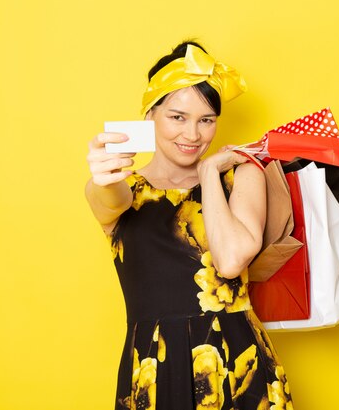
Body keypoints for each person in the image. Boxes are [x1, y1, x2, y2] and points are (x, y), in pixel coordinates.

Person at [85, 41, 294, 410]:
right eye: (177, 117)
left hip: (238, 366)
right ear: (149, 115)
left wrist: (209, 170)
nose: (193, 135)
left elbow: (230, 261)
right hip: (155, 368)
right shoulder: (123, 190)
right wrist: (103, 178)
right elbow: (109, 199)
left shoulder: (241, 176)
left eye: (206, 120)